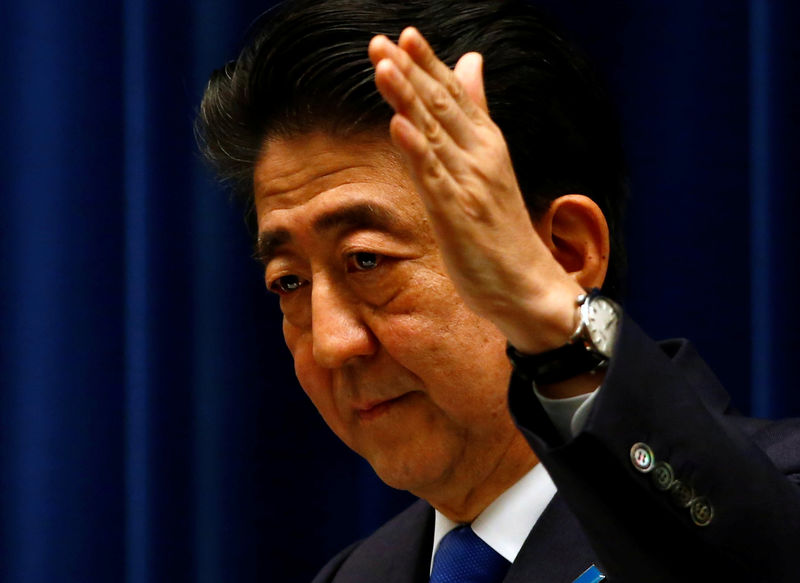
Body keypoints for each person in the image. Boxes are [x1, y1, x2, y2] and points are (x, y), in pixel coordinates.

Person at [195, 0, 800, 581]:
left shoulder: (776, 497)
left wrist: (555, 327)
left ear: (563, 253)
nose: (331, 343)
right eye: (291, 282)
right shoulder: (354, 575)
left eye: (367, 261)